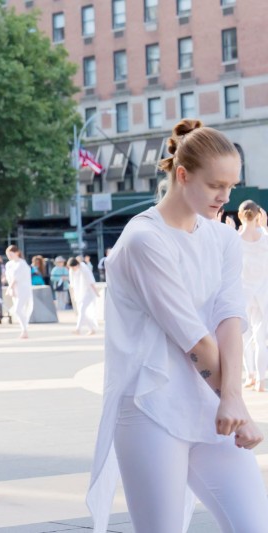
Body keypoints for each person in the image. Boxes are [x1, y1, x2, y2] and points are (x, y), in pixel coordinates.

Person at [87, 119, 268, 533]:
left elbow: (229, 318)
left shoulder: (223, 239)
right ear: (182, 175)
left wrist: (234, 400)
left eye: (232, 185)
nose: (226, 197)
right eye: (215, 185)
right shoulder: (143, 241)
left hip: (212, 405)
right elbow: (192, 337)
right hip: (150, 406)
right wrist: (235, 404)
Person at [238, 200, 268, 392]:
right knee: (261, 339)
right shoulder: (265, 239)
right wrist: (264, 226)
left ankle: (250, 375)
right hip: (262, 295)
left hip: (243, 294)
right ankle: (261, 379)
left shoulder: (235, 238)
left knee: (244, 338)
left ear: (241, 215)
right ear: (258, 215)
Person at [5, 245, 33, 339]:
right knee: (18, 310)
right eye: (8, 255)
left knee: (18, 309)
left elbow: (16, 278)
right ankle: (24, 329)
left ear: (17, 253)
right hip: (15, 289)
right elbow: (9, 278)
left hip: (23, 289)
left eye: (11, 254)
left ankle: (24, 329)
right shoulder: (9, 264)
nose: (9, 256)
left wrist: (10, 288)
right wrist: (11, 288)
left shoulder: (22, 264)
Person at [67, 257, 99, 335]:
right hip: (79, 293)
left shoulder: (84, 269)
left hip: (88, 292)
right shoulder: (72, 270)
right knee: (82, 312)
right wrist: (74, 294)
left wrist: (96, 292)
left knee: (82, 310)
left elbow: (91, 281)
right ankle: (91, 329)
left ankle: (78, 329)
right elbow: (72, 284)